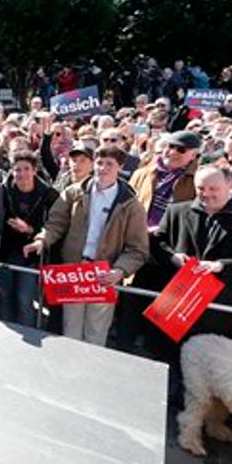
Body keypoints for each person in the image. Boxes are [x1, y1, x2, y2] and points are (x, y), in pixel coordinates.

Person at [24, 146, 149, 346]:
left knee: (96, 333)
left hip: (104, 274)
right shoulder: (74, 192)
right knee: (70, 330)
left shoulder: (131, 205)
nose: (103, 168)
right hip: (75, 271)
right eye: (99, 163)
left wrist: (120, 271)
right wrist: (42, 239)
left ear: (120, 167)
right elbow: (56, 222)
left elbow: (137, 249)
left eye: (109, 164)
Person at [152, 166, 232, 356]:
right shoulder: (176, 211)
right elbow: (157, 244)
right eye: (201, 188)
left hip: (222, 313)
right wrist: (172, 256)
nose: (206, 194)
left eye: (214, 189)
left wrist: (221, 266)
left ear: (230, 185)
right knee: (167, 358)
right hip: (177, 306)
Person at [0, 150, 58, 327]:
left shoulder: (48, 194)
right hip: (6, 251)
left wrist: (30, 230)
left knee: (24, 298)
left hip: (31, 255)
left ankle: (27, 331)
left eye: (26, 169)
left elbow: (54, 225)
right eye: (17, 169)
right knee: (4, 295)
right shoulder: (3, 190)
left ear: (35, 170)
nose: (22, 174)